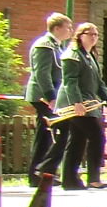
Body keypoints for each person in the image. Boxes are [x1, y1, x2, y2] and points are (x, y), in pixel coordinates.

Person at [57, 23, 107, 189]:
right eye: (90, 34)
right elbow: (70, 82)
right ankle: (93, 178)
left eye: (96, 34)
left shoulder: (90, 56)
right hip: (76, 104)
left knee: (77, 141)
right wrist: (77, 102)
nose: (93, 37)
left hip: (88, 104)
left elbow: (99, 83)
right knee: (97, 137)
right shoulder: (72, 55)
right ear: (80, 35)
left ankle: (69, 180)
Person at [24, 12, 73, 185]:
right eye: (68, 27)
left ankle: (38, 174)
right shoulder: (45, 45)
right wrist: (50, 96)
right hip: (43, 96)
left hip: (51, 96)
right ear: (57, 28)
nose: (70, 31)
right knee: (63, 130)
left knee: (44, 135)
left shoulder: (57, 46)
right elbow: (42, 73)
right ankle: (44, 170)